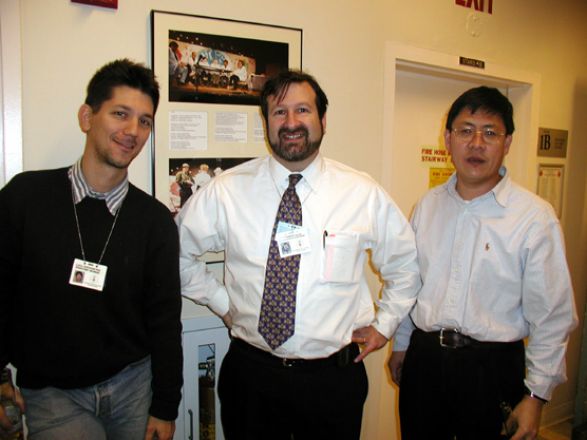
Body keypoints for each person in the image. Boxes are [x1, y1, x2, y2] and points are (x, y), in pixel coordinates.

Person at [176, 70, 421, 439]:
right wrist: (221, 301)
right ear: (266, 123)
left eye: (302, 110)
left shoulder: (361, 193)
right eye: (279, 112)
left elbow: (406, 267)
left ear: (323, 120)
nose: (291, 123)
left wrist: (385, 325)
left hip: (332, 382)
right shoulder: (227, 190)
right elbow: (177, 253)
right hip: (251, 377)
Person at [0, 59, 183, 440]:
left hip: (135, 387)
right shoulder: (25, 198)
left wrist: (165, 407)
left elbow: (165, 322)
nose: (133, 131)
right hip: (54, 396)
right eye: (121, 114)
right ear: (87, 116)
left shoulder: (155, 221)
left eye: (145, 121)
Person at [388, 86, 577, 440]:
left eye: (490, 132)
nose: (476, 143)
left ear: (507, 143)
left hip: (492, 367)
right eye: (465, 130)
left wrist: (536, 395)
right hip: (425, 359)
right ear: (448, 138)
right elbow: (412, 284)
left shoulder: (534, 217)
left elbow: (552, 315)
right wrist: (402, 344)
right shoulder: (427, 206)